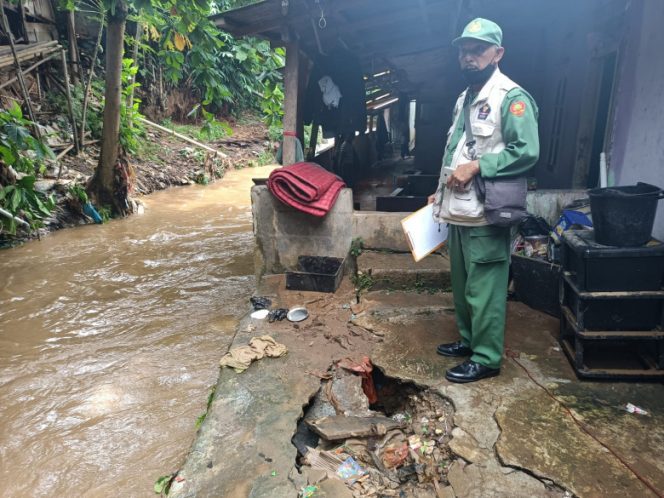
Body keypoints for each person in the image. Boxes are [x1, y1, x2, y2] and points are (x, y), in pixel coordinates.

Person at [427, 18, 540, 383]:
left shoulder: (511, 98)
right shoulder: (466, 98)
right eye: (464, 50)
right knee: (462, 286)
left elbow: (527, 152)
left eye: (478, 49)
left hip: (488, 212)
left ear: (498, 53)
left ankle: (487, 357)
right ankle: (468, 341)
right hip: (458, 210)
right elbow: (454, 149)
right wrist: (440, 189)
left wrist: (478, 166)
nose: (469, 56)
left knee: (486, 289)